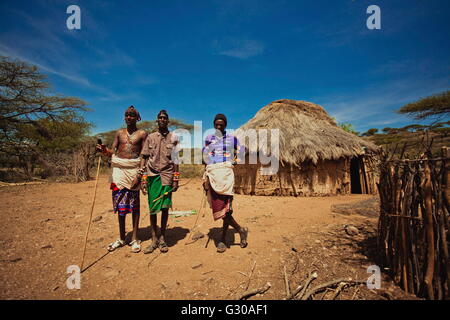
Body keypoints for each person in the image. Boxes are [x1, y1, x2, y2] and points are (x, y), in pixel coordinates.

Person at [97, 106, 147, 253]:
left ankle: (135, 238)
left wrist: (140, 174)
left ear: (137, 117)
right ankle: (121, 238)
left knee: (135, 206)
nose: (129, 117)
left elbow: (144, 155)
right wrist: (105, 150)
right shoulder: (119, 133)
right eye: (127, 115)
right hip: (118, 171)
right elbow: (114, 152)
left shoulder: (142, 133)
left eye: (132, 115)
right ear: (124, 117)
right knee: (120, 206)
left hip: (134, 171)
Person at [203, 113, 248, 253]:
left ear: (225, 126)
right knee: (218, 207)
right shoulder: (209, 138)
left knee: (227, 209)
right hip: (213, 174)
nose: (218, 126)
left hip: (226, 175)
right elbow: (205, 153)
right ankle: (240, 230)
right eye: (216, 124)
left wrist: (235, 161)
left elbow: (242, 150)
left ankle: (223, 239)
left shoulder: (231, 138)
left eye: (221, 125)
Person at [140, 110, 180, 254]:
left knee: (164, 207)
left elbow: (175, 159)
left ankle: (162, 238)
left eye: (165, 118)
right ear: (157, 120)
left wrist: (176, 179)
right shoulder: (150, 138)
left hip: (167, 176)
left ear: (168, 121)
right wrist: (143, 178)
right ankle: (153, 239)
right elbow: (144, 157)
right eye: (160, 118)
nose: (162, 120)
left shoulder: (173, 138)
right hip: (152, 175)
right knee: (153, 208)